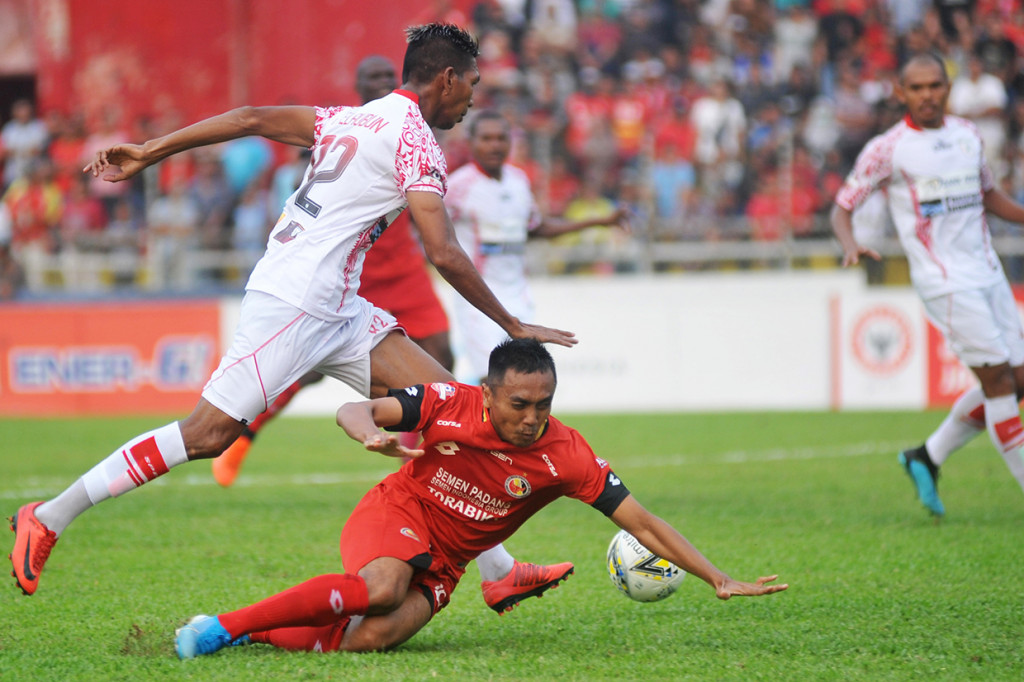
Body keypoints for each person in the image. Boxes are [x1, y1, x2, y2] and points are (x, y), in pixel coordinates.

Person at [8, 24, 577, 607]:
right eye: (473, 85)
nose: (474, 98)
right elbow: (444, 251)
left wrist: (151, 151)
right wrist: (513, 325)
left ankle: (498, 571)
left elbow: (252, 116)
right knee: (206, 436)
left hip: (336, 307)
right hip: (295, 302)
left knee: (452, 404)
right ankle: (48, 516)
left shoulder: (354, 117)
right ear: (447, 78)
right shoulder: (416, 140)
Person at [173, 338, 788, 659]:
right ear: (490, 394)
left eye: (543, 404)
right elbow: (355, 405)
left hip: (446, 565)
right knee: (383, 588)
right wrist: (368, 432)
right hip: (396, 512)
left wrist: (717, 577)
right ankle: (220, 628)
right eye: (519, 404)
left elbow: (643, 523)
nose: (532, 417)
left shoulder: (566, 455)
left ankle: (253, 636)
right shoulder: (448, 403)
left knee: (369, 639)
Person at [213, 55, 455, 487]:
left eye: (387, 77)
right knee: (309, 369)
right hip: (347, 270)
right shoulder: (352, 126)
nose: (381, 83)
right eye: (372, 78)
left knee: (442, 352)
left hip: (401, 266)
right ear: (359, 87)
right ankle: (244, 435)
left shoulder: (414, 130)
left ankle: (416, 465)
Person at [830, 52, 1024, 518]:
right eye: (916, 88)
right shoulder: (889, 147)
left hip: (988, 271)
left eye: (934, 85)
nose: (927, 95)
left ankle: (927, 456)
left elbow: (986, 194)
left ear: (948, 88)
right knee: (998, 381)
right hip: (945, 281)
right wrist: (849, 242)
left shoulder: (968, 135)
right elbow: (842, 206)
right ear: (900, 92)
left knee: (1017, 380)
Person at [445, 110, 627, 384]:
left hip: (518, 294)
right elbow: (431, 231)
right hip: (478, 299)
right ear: (471, 142)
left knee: (523, 380)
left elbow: (536, 228)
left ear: (510, 142)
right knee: (492, 381)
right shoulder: (458, 187)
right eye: (486, 138)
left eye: (500, 138)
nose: (494, 145)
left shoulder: (518, 181)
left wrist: (599, 222)